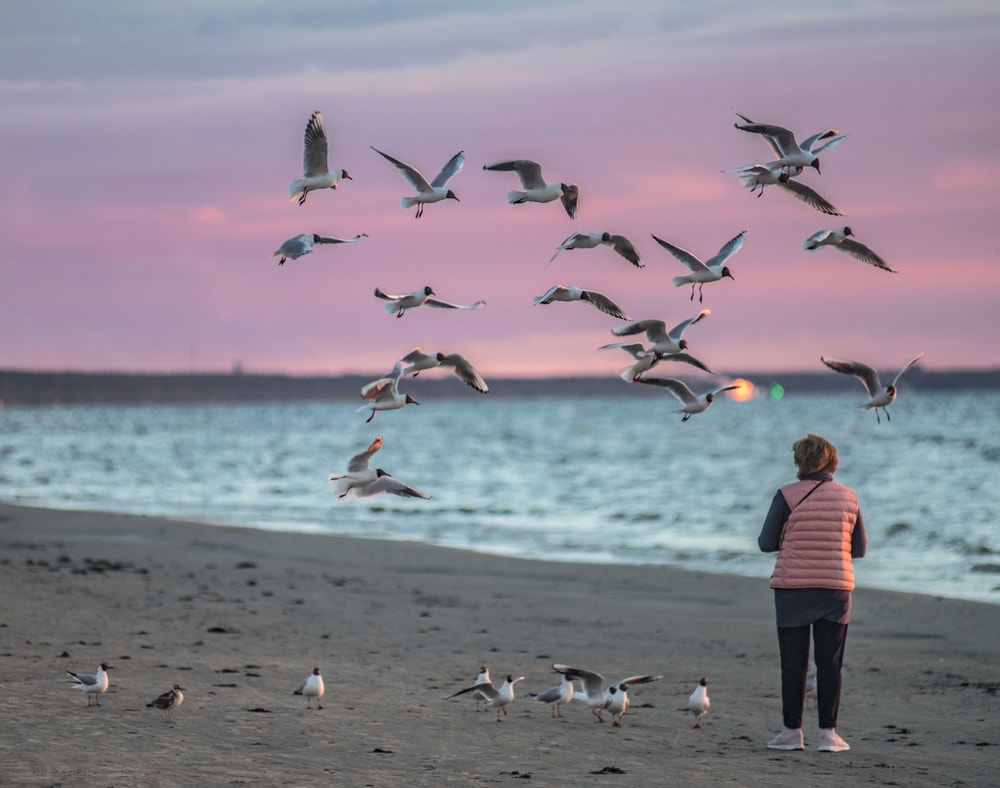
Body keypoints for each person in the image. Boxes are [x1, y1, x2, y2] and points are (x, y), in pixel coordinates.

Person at [758, 433, 866, 753]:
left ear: (799, 463)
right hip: (835, 588)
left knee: (794, 663)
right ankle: (829, 735)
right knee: (830, 663)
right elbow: (858, 549)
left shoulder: (786, 495)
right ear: (832, 461)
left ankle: (792, 733)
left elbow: (766, 543)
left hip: (793, 589)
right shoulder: (850, 497)